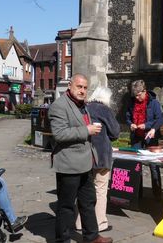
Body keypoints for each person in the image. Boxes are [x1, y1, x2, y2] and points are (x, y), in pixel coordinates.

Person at [48, 73, 112, 243]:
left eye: (85, 87)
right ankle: (62, 240)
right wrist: (87, 130)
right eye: (79, 86)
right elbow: (59, 134)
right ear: (70, 85)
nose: (82, 90)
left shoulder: (83, 106)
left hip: (86, 163)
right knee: (66, 206)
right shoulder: (59, 106)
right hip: (69, 164)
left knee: (88, 202)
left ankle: (92, 236)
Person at [76, 86, 120, 233]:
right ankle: (100, 223)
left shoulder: (84, 107)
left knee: (83, 189)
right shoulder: (104, 109)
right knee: (100, 189)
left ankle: (80, 223)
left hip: (84, 155)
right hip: (101, 156)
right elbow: (115, 132)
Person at [125, 80, 163, 197]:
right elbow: (127, 116)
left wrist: (146, 125)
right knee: (136, 166)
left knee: (153, 166)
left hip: (150, 137)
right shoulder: (131, 102)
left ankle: (157, 194)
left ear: (144, 91)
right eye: (135, 95)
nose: (137, 97)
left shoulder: (154, 103)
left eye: (139, 94)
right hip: (136, 137)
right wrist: (130, 123)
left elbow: (159, 119)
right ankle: (137, 194)